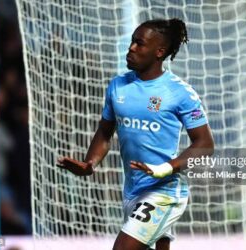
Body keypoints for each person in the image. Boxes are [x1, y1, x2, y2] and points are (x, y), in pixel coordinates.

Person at [57, 18, 214, 250]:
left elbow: (205, 145)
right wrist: (89, 163)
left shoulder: (180, 92)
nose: (131, 48)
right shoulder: (117, 86)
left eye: (139, 44)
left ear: (159, 51)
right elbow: (104, 131)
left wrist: (166, 168)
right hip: (132, 190)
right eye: (132, 42)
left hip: (164, 190)